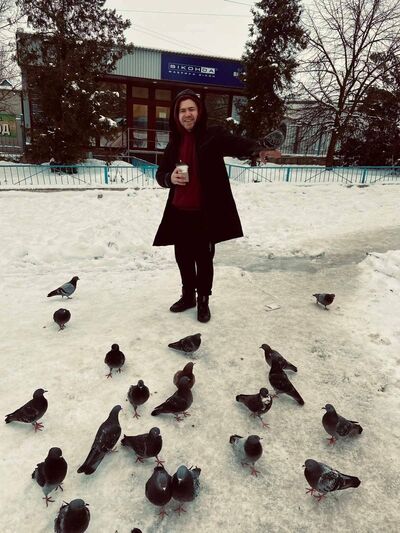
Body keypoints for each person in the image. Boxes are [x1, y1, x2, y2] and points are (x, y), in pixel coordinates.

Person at [153, 89, 280, 323]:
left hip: (204, 213)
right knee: (183, 257)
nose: (187, 114)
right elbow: (160, 174)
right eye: (182, 110)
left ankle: (203, 300)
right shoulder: (174, 143)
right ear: (176, 115)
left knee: (203, 259)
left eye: (191, 109)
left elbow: (238, 144)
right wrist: (169, 178)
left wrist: (259, 148)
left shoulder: (213, 136)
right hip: (179, 212)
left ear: (199, 112)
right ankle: (188, 296)